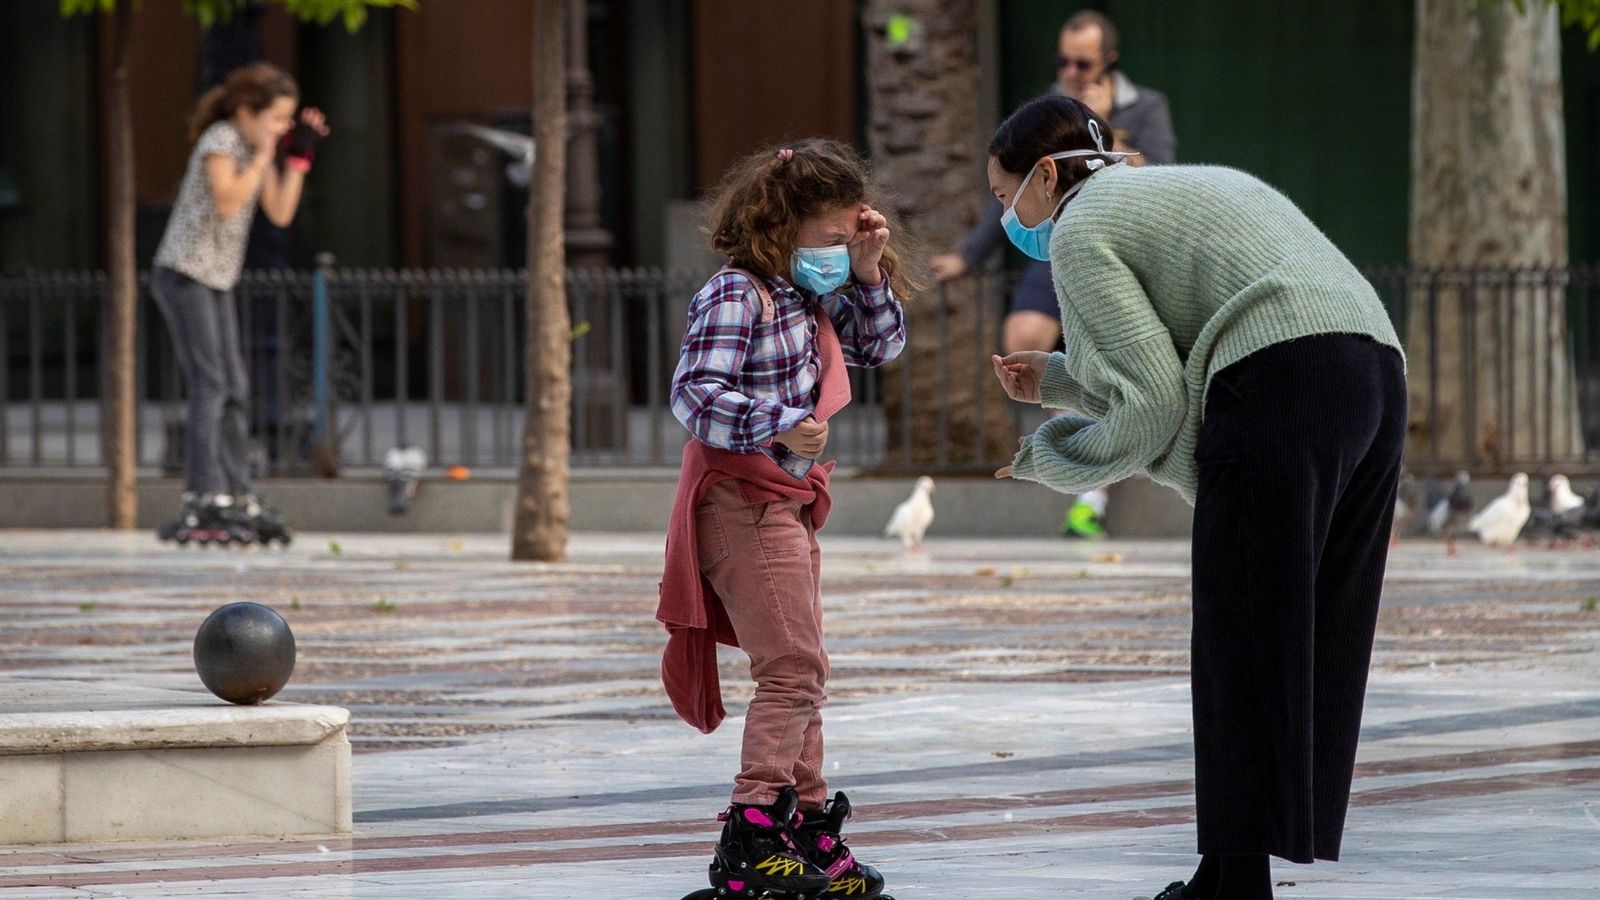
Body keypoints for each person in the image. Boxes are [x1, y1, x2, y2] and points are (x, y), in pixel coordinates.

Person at [986, 94, 1404, 899]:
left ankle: (1236, 884)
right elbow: (1169, 371)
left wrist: (1048, 460)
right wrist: (1062, 383)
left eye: (1005, 198)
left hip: (1282, 372)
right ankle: (1229, 871)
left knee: (1239, 631)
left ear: (1046, 176)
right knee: (1307, 623)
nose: (1008, 217)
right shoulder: (1156, 189)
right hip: (1373, 368)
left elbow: (1151, 410)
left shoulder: (1078, 227)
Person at [656, 139, 911, 900]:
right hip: (742, 497)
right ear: (784, 224)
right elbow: (694, 395)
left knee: (806, 671)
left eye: (846, 237)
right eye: (831, 238)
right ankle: (753, 827)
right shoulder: (737, 294)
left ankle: (805, 822)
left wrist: (865, 269)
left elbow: (879, 345)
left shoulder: (808, 298)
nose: (837, 250)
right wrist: (776, 423)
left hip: (790, 502)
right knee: (793, 668)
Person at [934, 10, 1175, 539]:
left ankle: (1090, 488)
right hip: (1055, 245)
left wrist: (1098, 139)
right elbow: (1007, 193)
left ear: (1108, 60)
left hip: (1112, 241)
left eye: (1082, 62)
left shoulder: (1145, 106)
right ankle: (1079, 455)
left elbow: (1158, 174)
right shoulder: (1043, 110)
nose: (1071, 71)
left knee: (1117, 360)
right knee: (1023, 337)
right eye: (1063, 60)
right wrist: (968, 257)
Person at [152, 62, 327, 546]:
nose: (280, 128)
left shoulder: (251, 147)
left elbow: (280, 211)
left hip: (216, 278)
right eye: (275, 119)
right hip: (184, 273)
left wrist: (296, 160)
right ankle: (204, 494)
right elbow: (228, 200)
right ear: (248, 112)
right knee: (210, 382)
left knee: (236, 384)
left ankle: (235, 491)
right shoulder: (222, 141)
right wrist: (264, 154)